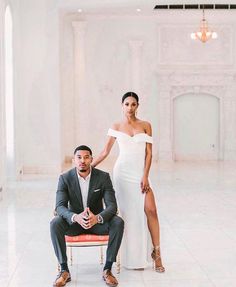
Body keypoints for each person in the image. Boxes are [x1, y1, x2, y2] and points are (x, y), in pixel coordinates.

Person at [92, 92, 165, 272]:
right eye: (127, 104)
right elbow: (105, 151)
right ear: (122, 105)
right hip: (122, 174)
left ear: (137, 106)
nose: (130, 108)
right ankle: (123, 256)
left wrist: (145, 175)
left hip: (140, 174)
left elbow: (149, 154)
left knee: (151, 210)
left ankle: (157, 253)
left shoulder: (146, 125)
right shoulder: (116, 126)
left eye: (133, 104)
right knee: (125, 215)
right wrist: (86, 167)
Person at [50, 145, 124, 287]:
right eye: (79, 157)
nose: (82, 160)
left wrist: (97, 218)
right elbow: (59, 206)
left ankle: (108, 269)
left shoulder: (103, 177)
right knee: (55, 223)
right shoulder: (65, 178)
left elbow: (112, 206)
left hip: (97, 223)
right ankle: (64, 271)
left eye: (86, 157)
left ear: (91, 159)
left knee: (118, 222)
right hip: (74, 224)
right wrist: (75, 217)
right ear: (74, 160)